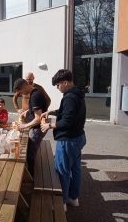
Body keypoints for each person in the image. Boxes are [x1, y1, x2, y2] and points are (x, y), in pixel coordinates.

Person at [40, 69, 86, 211]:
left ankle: (62, 203)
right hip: (78, 137)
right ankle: (73, 198)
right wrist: (52, 111)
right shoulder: (77, 94)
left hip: (68, 140)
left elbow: (67, 121)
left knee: (62, 171)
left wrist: (49, 125)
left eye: (58, 85)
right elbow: (68, 112)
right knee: (75, 168)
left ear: (65, 82)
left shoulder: (69, 97)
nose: (58, 88)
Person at [13, 78, 48, 177]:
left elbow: (37, 119)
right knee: (29, 149)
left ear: (25, 87)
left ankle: (31, 177)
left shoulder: (35, 96)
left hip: (37, 128)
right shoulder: (36, 91)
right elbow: (36, 107)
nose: (22, 94)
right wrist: (27, 111)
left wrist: (24, 126)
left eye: (21, 92)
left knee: (30, 154)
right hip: (37, 126)